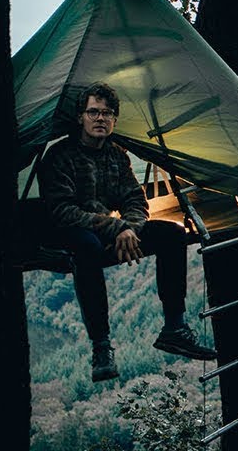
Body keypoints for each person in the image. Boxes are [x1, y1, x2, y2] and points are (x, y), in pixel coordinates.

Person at [38, 82, 216, 382]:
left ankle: (174, 327)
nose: (100, 119)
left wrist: (130, 230)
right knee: (87, 248)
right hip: (69, 231)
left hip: (112, 229)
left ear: (114, 120)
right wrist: (117, 226)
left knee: (173, 233)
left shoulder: (116, 155)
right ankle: (101, 346)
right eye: (93, 112)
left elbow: (134, 199)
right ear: (80, 117)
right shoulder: (61, 156)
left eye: (107, 113)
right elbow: (62, 210)